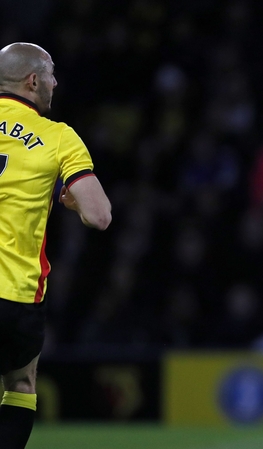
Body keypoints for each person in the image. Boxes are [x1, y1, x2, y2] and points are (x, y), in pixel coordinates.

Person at [0, 42, 112, 448]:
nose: (55, 82)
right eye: (50, 75)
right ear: (33, 81)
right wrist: (69, 202)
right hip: (16, 294)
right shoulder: (59, 137)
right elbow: (99, 216)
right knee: (20, 383)